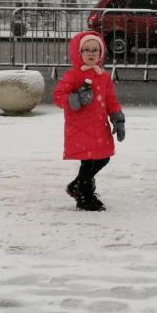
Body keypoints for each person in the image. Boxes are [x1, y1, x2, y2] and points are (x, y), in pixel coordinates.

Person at [53, 31, 126, 211]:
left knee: (103, 158)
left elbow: (111, 101)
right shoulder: (73, 75)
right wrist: (74, 99)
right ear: (79, 53)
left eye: (95, 50)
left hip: (99, 125)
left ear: (101, 53)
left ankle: (77, 186)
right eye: (86, 50)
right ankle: (84, 196)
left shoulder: (104, 76)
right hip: (79, 126)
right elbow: (58, 96)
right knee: (88, 161)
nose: (91, 53)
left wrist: (117, 118)